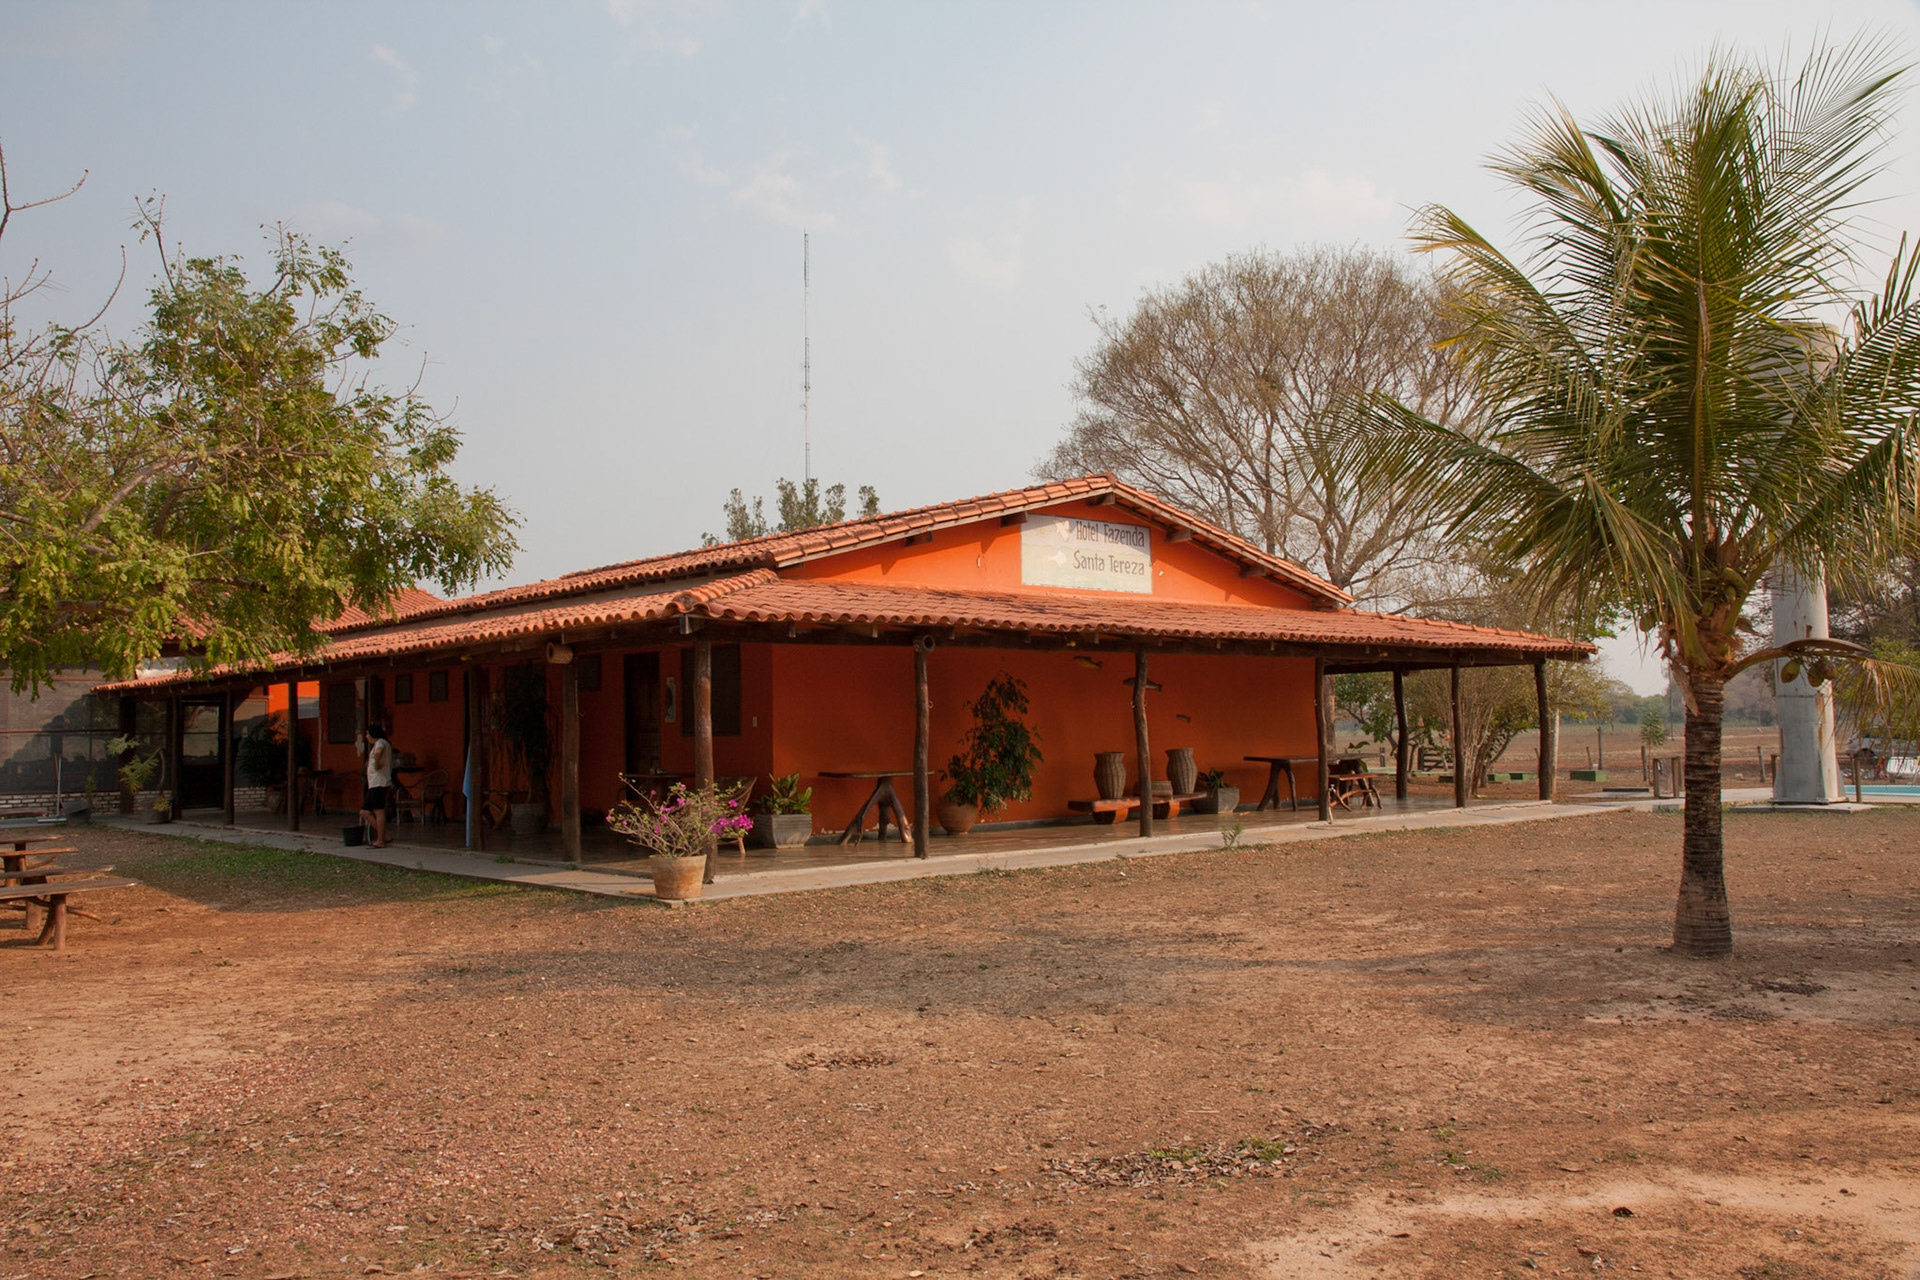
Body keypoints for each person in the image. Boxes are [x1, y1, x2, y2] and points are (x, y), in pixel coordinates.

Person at [357, 723, 394, 848]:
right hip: (374, 783)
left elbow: (379, 752)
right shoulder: (381, 743)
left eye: (367, 734)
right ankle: (383, 834)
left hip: (379, 782)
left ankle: (380, 840)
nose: (366, 736)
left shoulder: (380, 743)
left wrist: (377, 763)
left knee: (379, 811)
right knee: (364, 811)